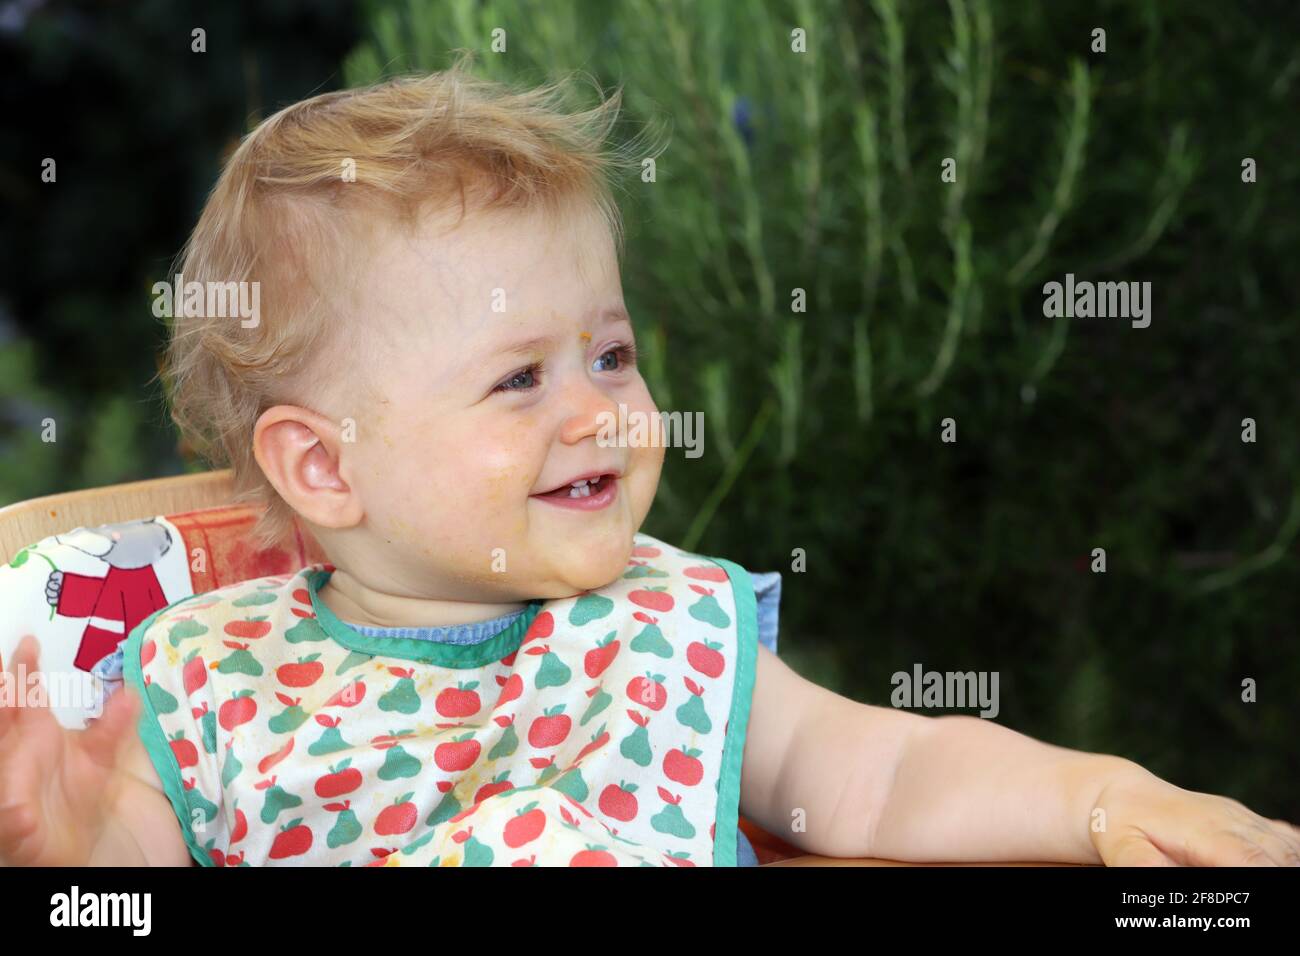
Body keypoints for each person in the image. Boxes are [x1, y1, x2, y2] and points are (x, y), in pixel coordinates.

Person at [2, 58, 1297, 867]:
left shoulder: (668, 622)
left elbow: (882, 777)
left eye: (612, 356)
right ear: (324, 471)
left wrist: (1101, 797)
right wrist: (65, 863)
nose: (604, 413)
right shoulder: (208, 679)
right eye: (522, 380)